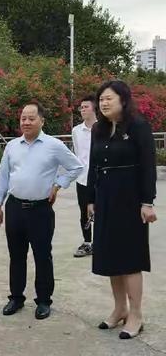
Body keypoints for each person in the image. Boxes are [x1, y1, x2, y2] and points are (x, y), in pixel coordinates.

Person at [0, 102, 83, 320]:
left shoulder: (53, 145)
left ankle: (43, 300)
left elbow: (76, 166)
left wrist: (58, 184)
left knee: (43, 256)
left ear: (42, 121)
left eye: (31, 118)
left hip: (40, 209)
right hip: (14, 207)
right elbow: (3, 176)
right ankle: (16, 297)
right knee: (16, 256)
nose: (26, 122)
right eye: (23, 118)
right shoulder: (12, 146)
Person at [87, 80, 158, 340]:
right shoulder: (98, 129)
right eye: (101, 99)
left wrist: (147, 202)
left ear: (123, 100)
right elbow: (93, 166)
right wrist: (91, 198)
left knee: (130, 259)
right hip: (105, 198)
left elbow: (148, 166)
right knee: (110, 258)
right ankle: (119, 309)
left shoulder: (138, 126)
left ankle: (136, 314)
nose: (104, 103)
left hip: (130, 201)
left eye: (109, 98)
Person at [71, 95, 97, 258]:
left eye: (86, 106)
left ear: (94, 108)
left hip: (101, 178)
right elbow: (77, 154)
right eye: (81, 107)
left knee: (101, 211)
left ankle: (102, 242)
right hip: (82, 179)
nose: (82, 110)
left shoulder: (104, 128)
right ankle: (87, 243)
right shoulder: (76, 131)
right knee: (84, 212)